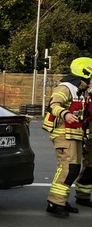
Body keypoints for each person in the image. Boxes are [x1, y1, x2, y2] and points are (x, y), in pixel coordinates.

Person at [42, 57, 92, 218]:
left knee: (73, 168)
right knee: (68, 168)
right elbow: (53, 105)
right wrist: (66, 114)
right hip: (63, 133)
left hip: (74, 134)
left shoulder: (81, 90)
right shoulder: (66, 87)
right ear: (85, 72)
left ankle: (61, 201)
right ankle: (54, 203)